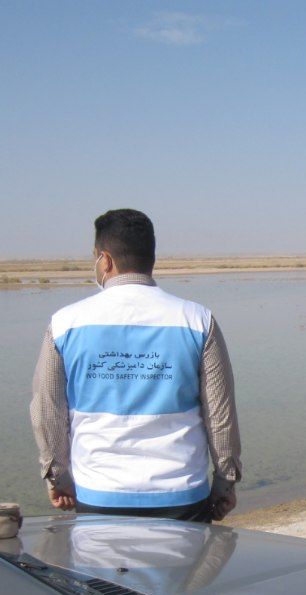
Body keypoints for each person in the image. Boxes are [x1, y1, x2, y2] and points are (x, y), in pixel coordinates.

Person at [31, 208, 242, 522]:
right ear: (150, 257)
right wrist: (225, 481)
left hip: (98, 493)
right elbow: (220, 413)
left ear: (105, 260)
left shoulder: (64, 324)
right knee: (185, 573)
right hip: (183, 496)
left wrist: (57, 477)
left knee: (100, 574)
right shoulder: (197, 320)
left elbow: (48, 410)